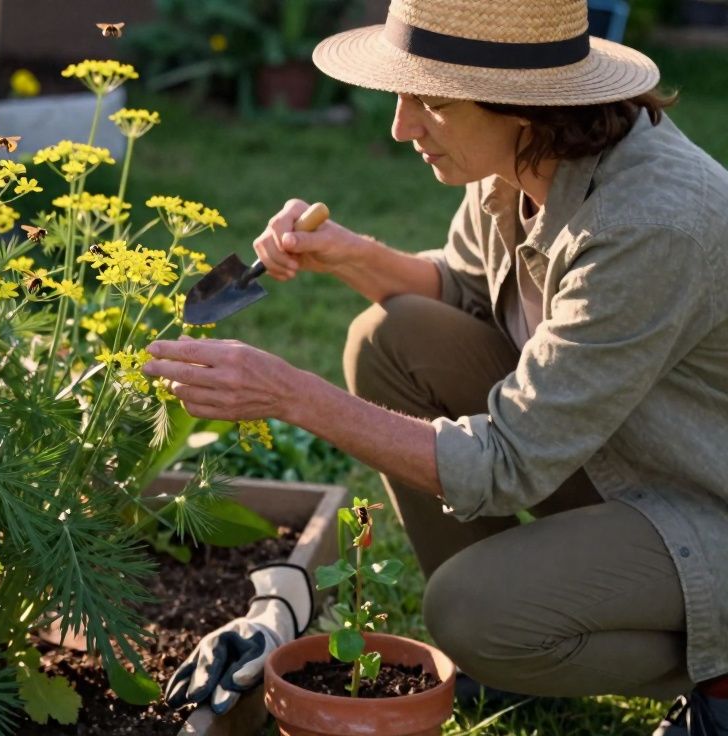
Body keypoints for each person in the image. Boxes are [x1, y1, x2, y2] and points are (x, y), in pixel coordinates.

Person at [146, 0, 728, 733]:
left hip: (708, 502)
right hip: (624, 458)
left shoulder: (650, 225)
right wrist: (357, 257)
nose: (401, 125)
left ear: (526, 103)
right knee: (391, 339)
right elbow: (470, 292)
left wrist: (289, 394)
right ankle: (519, 645)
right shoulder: (519, 161)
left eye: (432, 101)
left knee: (468, 611)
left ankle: (718, 674)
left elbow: (506, 461)